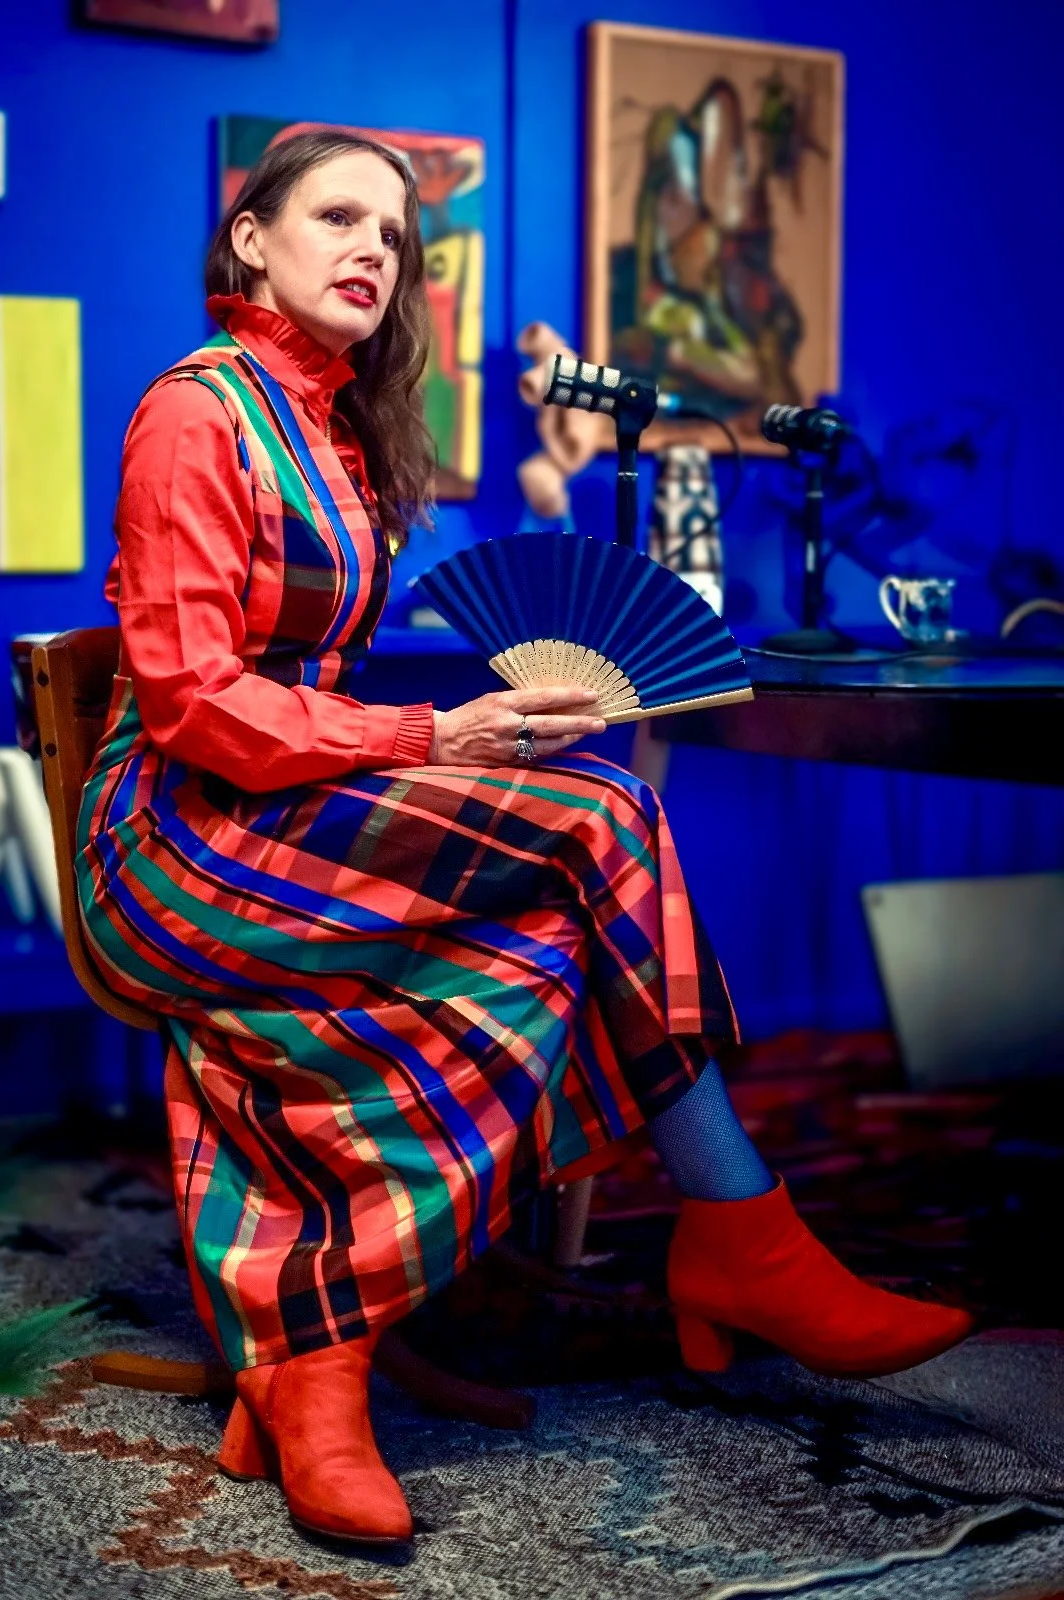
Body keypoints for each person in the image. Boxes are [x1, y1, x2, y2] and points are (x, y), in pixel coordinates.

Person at [78, 129, 971, 1548]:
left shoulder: (329, 425)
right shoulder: (196, 414)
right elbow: (193, 708)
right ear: (249, 240)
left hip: (295, 811)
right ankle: (724, 1240)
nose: (376, 248)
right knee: (602, 819)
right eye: (338, 217)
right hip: (181, 844)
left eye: (397, 234)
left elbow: (311, 690)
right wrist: (433, 742)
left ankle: (350, 1332)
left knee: (561, 916)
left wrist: (475, 733)